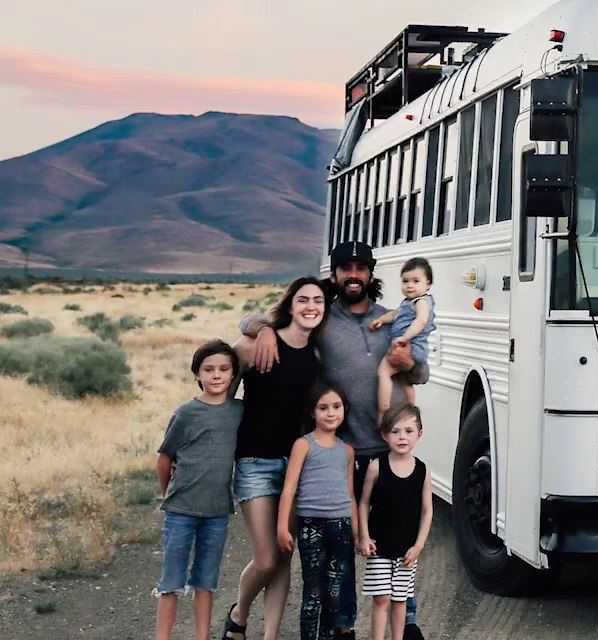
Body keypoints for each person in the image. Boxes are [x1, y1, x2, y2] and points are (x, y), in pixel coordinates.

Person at [242, 241, 421, 625]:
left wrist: (412, 363)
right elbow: (267, 319)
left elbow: (418, 371)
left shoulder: (393, 317)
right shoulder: (322, 318)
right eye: (345, 268)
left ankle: (405, 624)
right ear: (335, 274)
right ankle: (342, 625)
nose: (353, 275)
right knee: (340, 547)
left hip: (389, 449)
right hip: (342, 452)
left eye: (361, 268)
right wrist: (263, 331)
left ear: (371, 274)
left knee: (396, 539)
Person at [222, 277, 327, 640]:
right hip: (254, 462)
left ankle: (269, 636)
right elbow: (221, 401)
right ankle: (238, 614)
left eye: (318, 301)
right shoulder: (252, 345)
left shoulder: (315, 357)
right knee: (265, 557)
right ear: (290, 305)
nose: (311, 306)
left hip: (295, 467)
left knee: (284, 554)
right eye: (303, 299)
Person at [155, 341, 244, 640]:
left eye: (223, 369)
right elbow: (165, 459)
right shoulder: (186, 413)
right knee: (171, 581)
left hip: (217, 511)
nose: (216, 375)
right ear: (197, 374)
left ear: (233, 375)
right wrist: (168, 492)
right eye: (209, 369)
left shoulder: (239, 411)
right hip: (181, 509)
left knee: (206, 582)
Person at [277, 384, 358, 640]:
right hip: (312, 525)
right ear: (312, 412)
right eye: (323, 407)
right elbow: (289, 489)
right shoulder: (303, 445)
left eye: (336, 407)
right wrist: (282, 527)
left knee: (335, 592)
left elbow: (351, 494)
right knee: (313, 592)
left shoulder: (347, 451)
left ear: (344, 410)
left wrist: (357, 531)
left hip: (341, 525)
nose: (330, 413)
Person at [358, 403, 432, 640]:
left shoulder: (422, 470)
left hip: (407, 549)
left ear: (419, 434)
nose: (402, 437)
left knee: (400, 599)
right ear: (384, 435)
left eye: (409, 431)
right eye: (396, 431)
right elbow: (363, 502)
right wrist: (364, 535)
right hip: (379, 546)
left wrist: (419, 545)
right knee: (381, 598)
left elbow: (427, 511)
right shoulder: (377, 466)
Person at [368, 257, 435, 423]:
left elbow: (421, 321)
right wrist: (381, 320)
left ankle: (383, 411)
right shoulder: (407, 303)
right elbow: (394, 314)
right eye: (405, 281)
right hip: (412, 349)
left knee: (384, 372)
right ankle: (411, 412)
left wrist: (405, 338)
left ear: (428, 284)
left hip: (410, 346)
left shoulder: (422, 302)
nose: (409, 285)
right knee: (406, 382)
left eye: (415, 281)